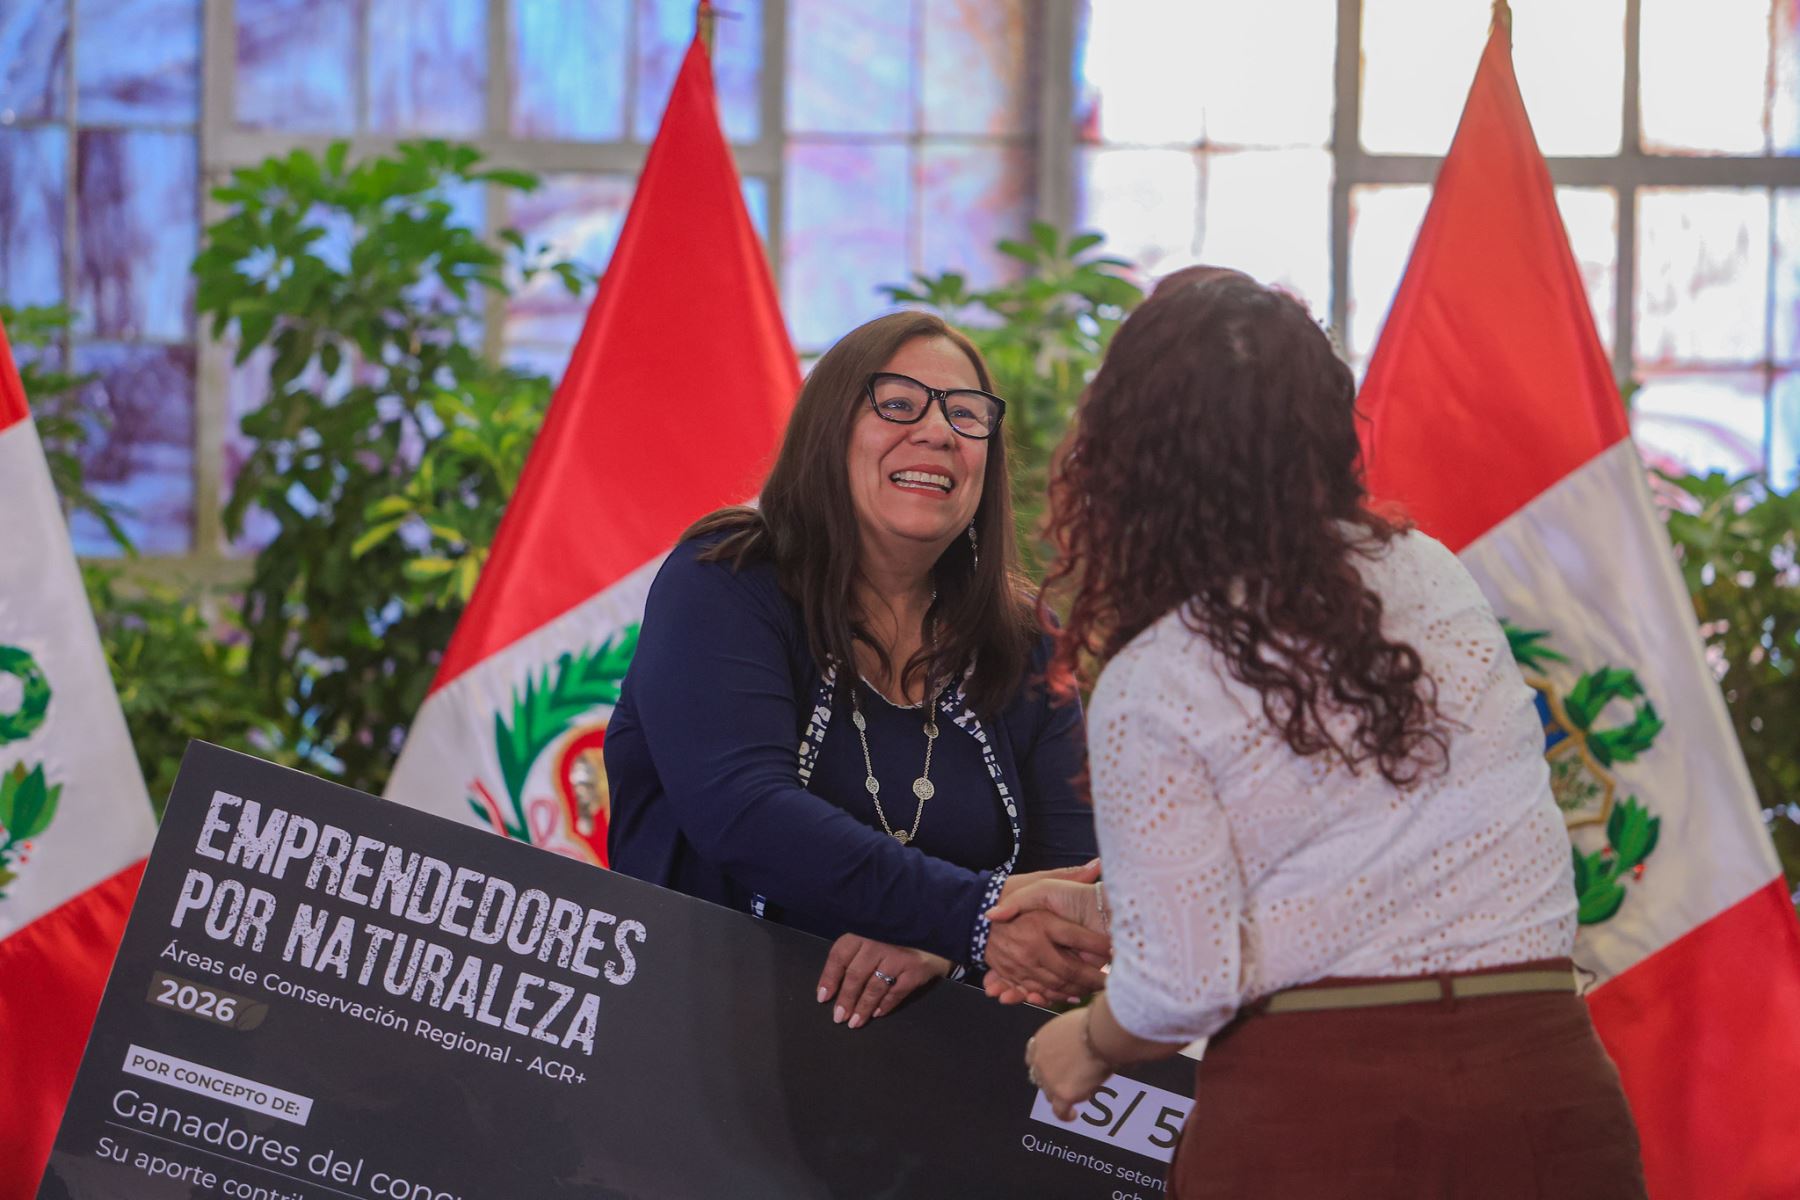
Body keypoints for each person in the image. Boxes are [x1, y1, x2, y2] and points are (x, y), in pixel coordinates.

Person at [1004, 268, 1646, 1198]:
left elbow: (1184, 989)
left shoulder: (1159, 674)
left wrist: (1086, 1039)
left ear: (1128, 459)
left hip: (1322, 1123)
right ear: (1326, 430)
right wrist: (1113, 914)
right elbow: (1368, 876)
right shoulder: (1434, 577)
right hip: (1546, 1092)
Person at [604, 311, 1108, 1032]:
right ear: (828, 433)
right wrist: (967, 918)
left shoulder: (1025, 639)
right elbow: (745, 814)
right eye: (898, 404)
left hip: (940, 1089)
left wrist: (945, 948)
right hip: (688, 1056)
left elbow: (1075, 889)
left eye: (966, 416)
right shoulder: (725, 581)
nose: (937, 432)